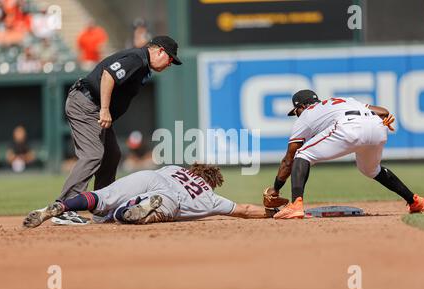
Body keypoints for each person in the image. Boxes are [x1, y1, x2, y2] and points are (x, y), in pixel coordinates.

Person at [50, 35, 182, 226]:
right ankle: (63, 207)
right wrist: (104, 109)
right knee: (93, 154)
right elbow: (108, 75)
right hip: (87, 104)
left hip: (92, 106)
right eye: (170, 59)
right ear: (160, 50)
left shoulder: (143, 64)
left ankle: (102, 206)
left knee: (111, 155)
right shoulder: (138, 58)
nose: (169, 64)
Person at [264, 89, 424, 219]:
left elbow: (288, 160)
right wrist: (383, 119)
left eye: (296, 111)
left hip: (349, 127)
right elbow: (383, 111)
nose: (297, 115)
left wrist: (276, 189)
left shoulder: (305, 115)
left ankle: (296, 204)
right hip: (377, 126)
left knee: (302, 154)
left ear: (301, 106)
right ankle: (416, 201)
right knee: (370, 169)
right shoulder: (343, 101)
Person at [23, 163, 276, 228]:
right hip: (171, 199)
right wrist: (272, 213)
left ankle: (58, 207)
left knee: (100, 199)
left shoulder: (177, 168)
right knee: (128, 216)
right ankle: (136, 213)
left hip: (151, 177)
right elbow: (243, 209)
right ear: (212, 182)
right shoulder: (210, 197)